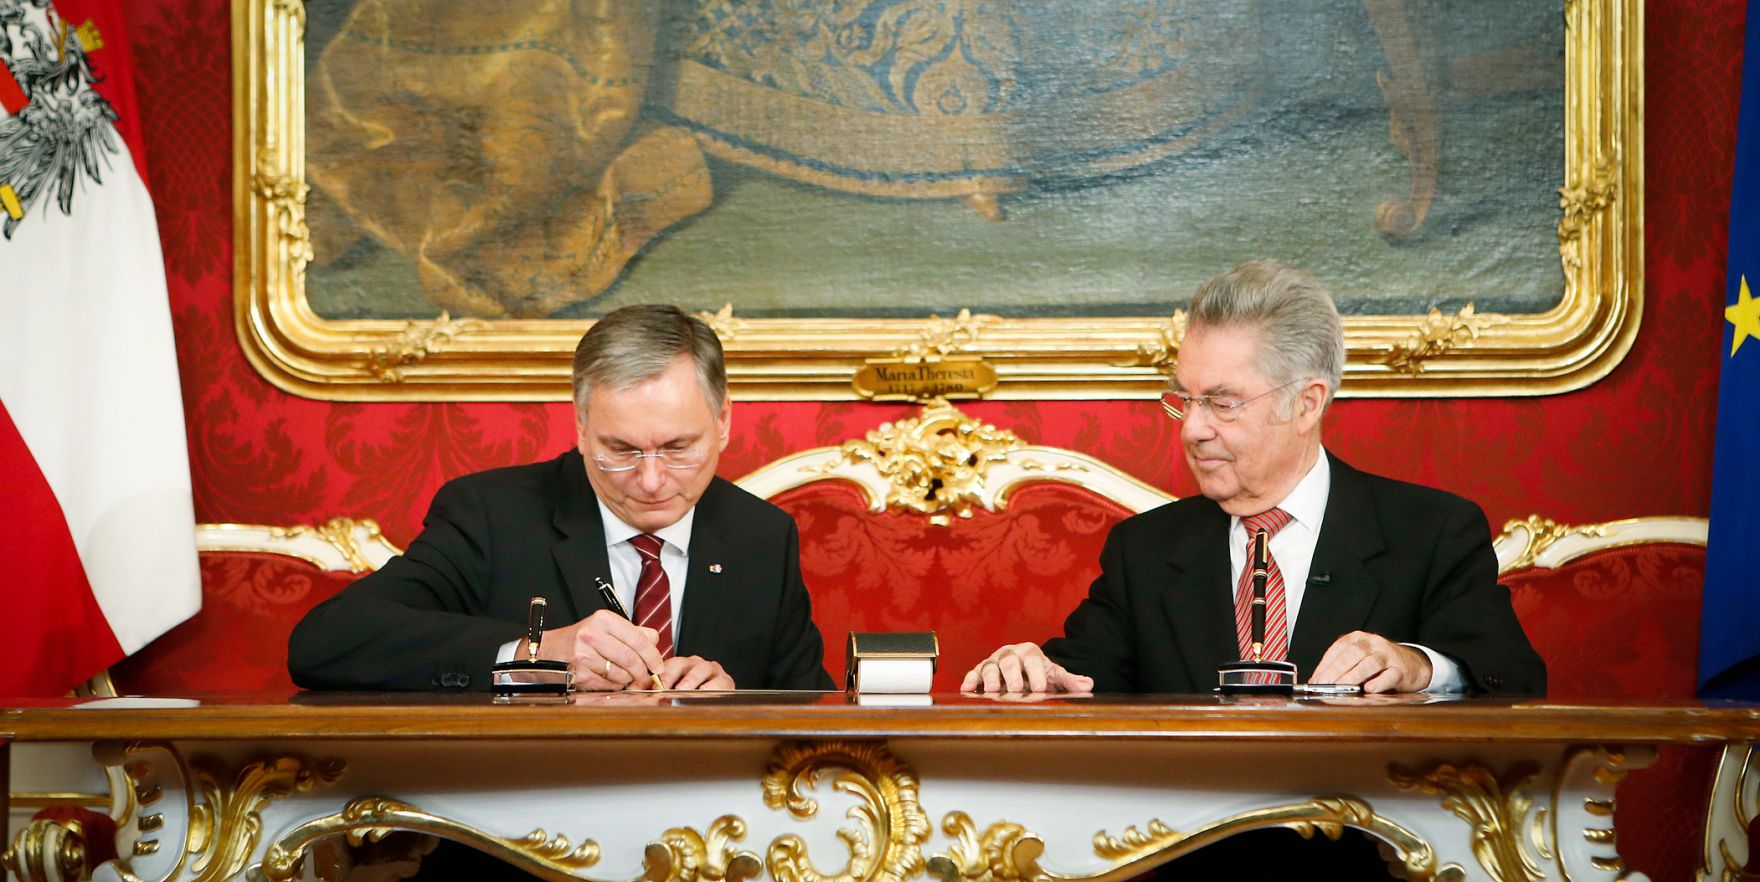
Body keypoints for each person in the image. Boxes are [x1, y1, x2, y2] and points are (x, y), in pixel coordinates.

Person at [962, 261, 1546, 696]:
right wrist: (1032, 670)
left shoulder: (1432, 531)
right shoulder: (1146, 549)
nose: (1192, 430)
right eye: (1185, 401)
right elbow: (1080, 678)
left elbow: (1512, 677)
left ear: (1307, 403)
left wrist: (1417, 667)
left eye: (1222, 403)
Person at [289, 305, 834, 692]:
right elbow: (326, 643)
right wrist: (537, 653)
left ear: (722, 423)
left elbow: (813, 716)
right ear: (580, 429)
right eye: (620, 450)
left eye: (677, 448)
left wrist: (735, 705)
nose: (650, 480)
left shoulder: (761, 536)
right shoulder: (490, 516)